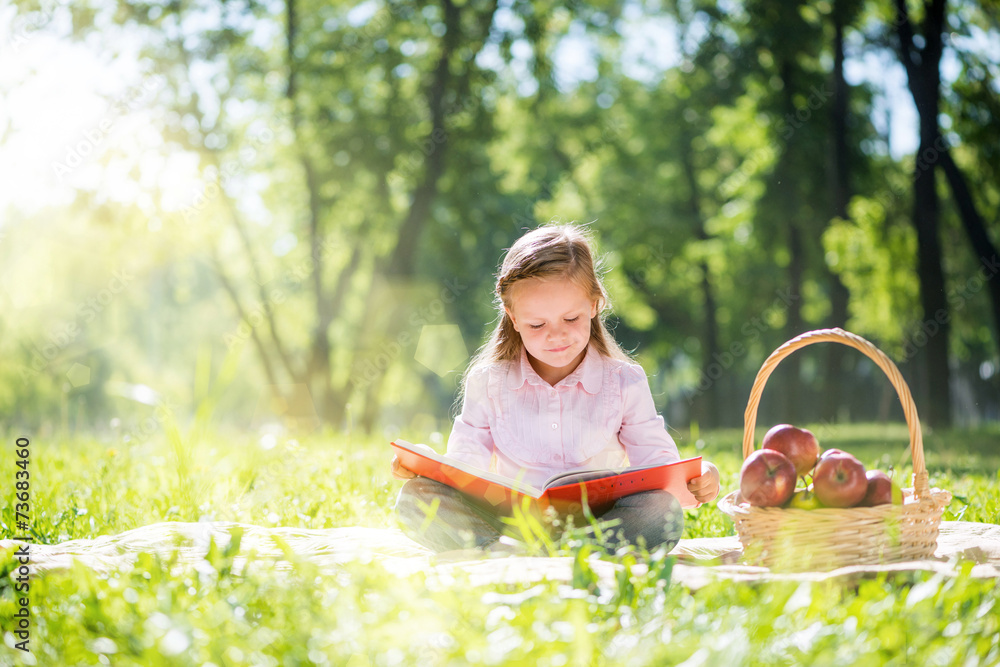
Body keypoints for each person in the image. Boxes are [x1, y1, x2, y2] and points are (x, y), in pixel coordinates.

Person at [391, 224, 720, 554]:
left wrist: (700, 476)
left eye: (571, 319)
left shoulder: (624, 381)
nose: (556, 335)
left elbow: (658, 465)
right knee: (416, 499)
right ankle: (516, 549)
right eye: (537, 324)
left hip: (599, 522)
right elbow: (466, 465)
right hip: (509, 521)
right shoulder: (488, 381)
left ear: (594, 305)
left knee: (660, 512)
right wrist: (431, 468)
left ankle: (543, 553)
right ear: (513, 317)